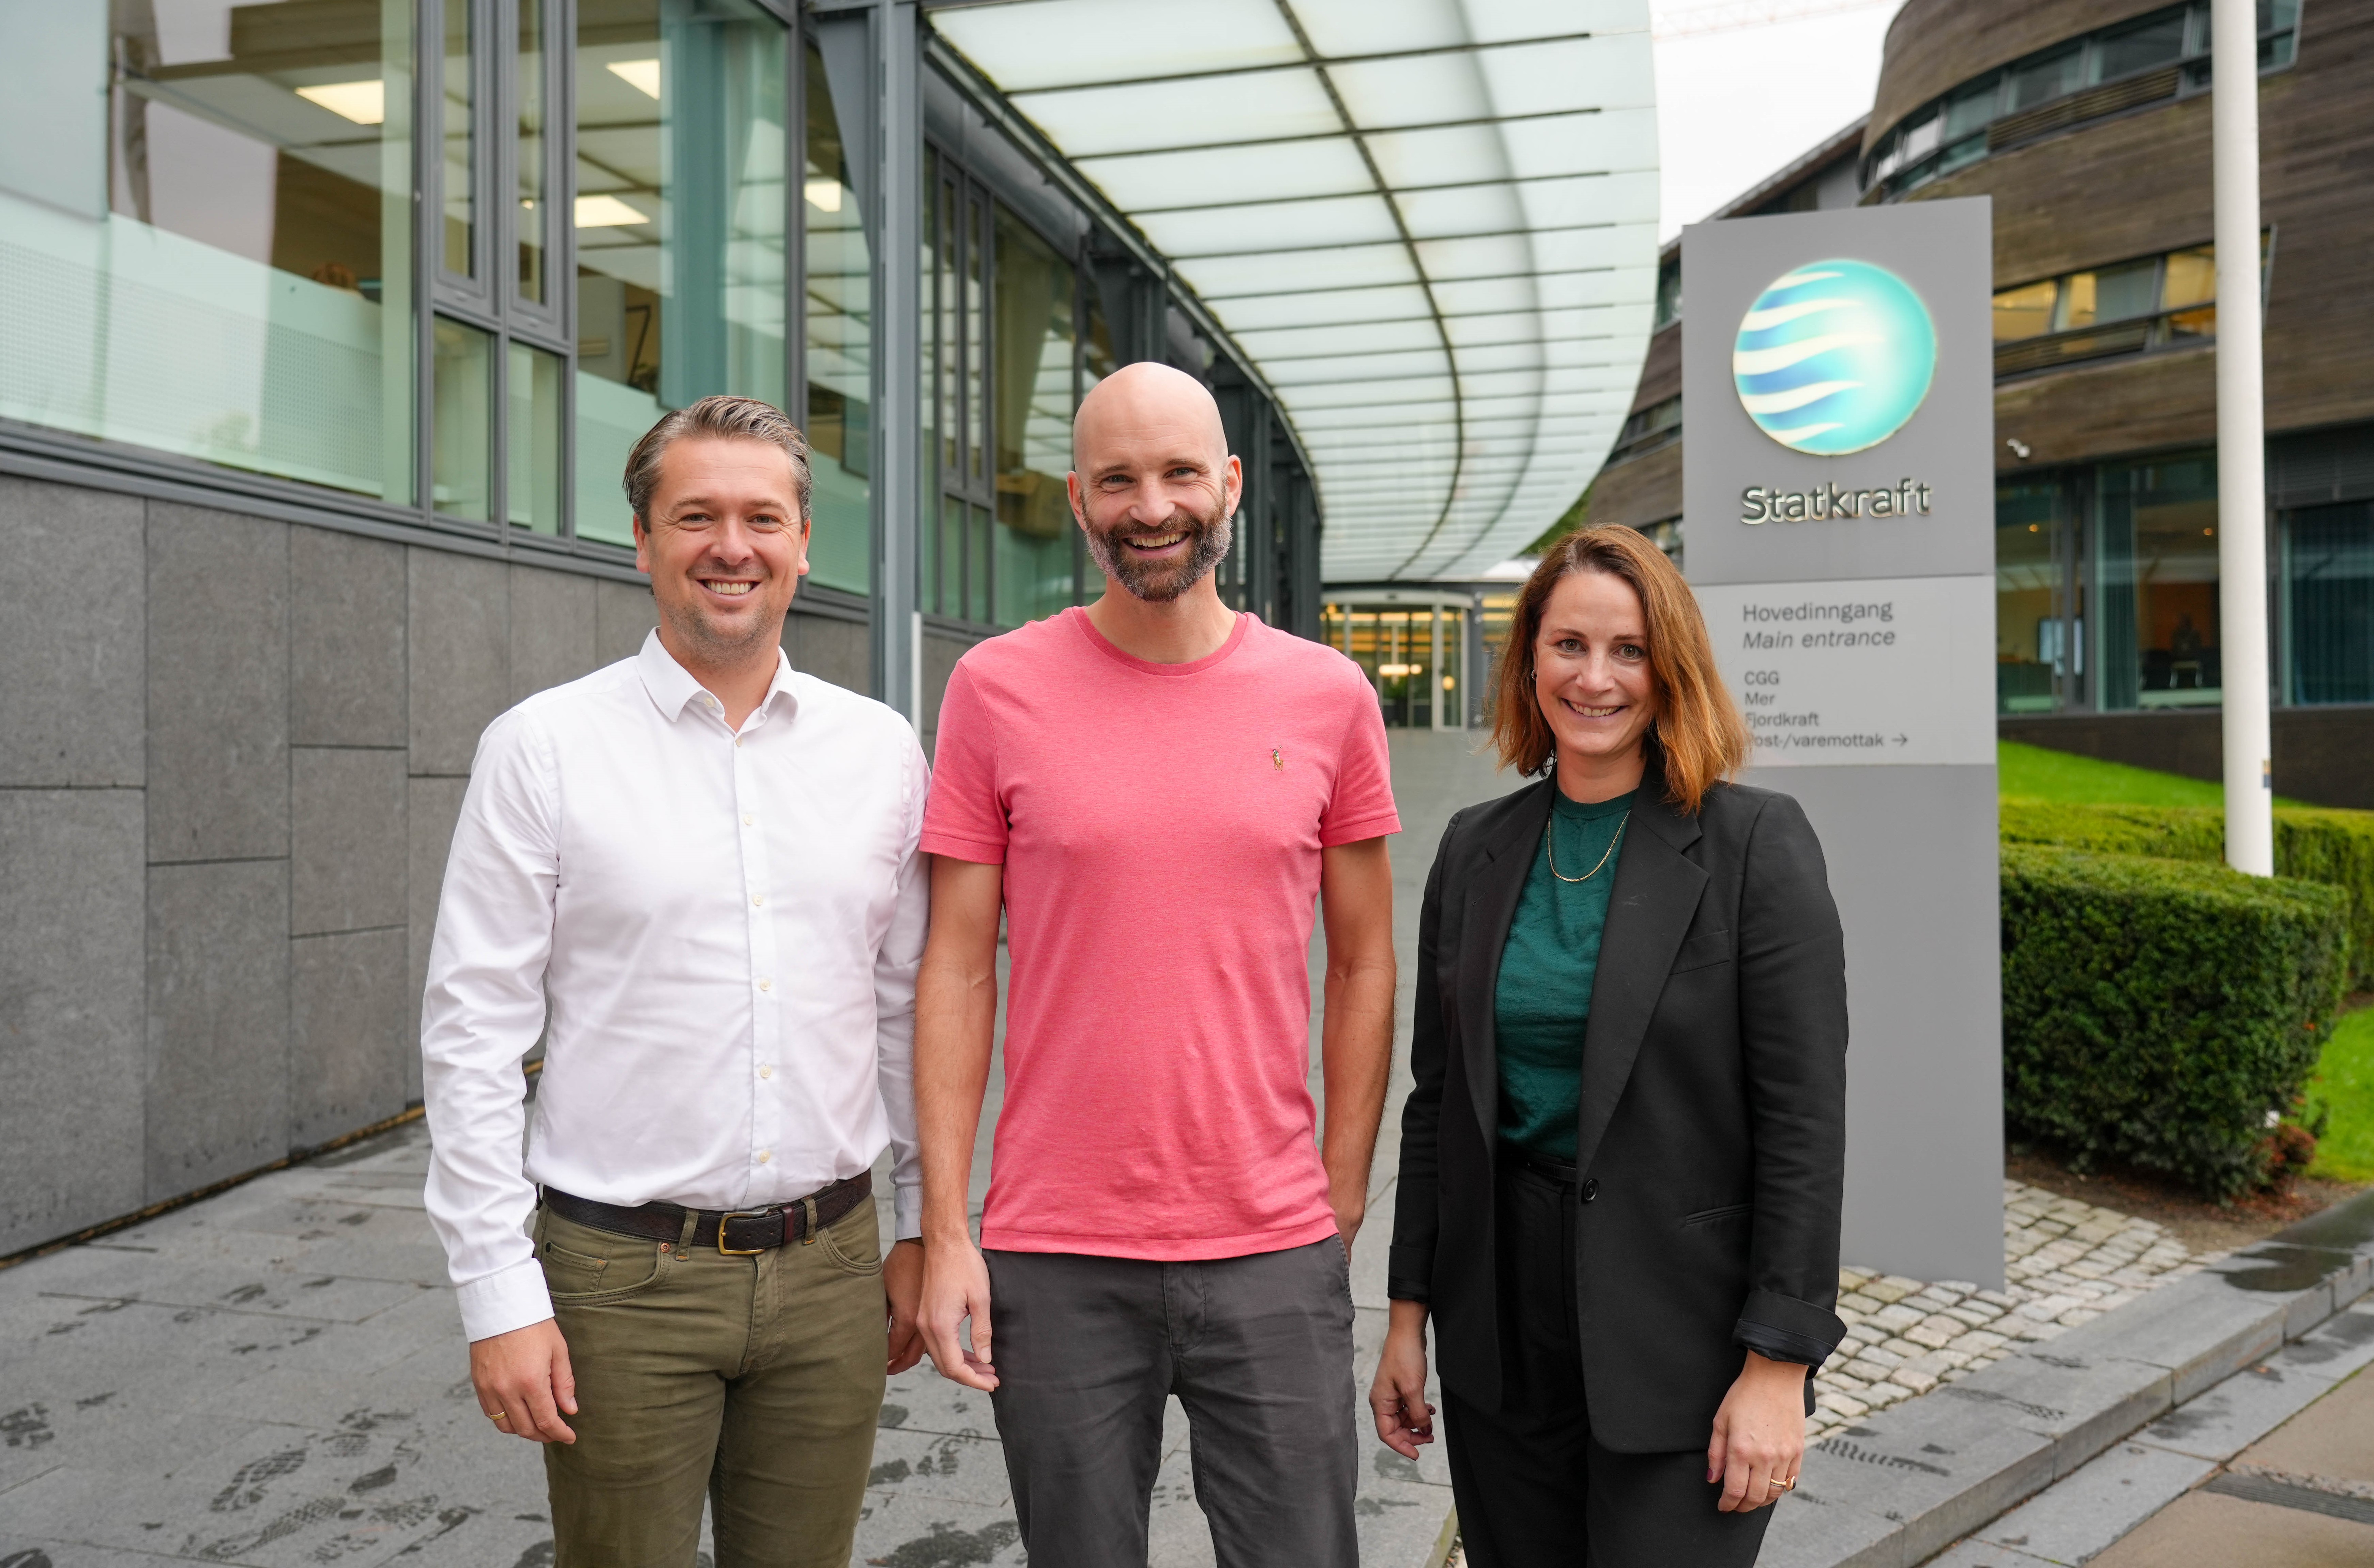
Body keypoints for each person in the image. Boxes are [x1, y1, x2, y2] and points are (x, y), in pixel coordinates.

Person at [420, 395, 929, 1568]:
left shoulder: (881, 752)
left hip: (834, 1269)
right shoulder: (543, 747)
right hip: (618, 1280)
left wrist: (925, 1228)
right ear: (643, 540)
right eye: (696, 516)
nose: (730, 546)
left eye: (763, 517)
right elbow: (473, 1030)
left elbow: (906, 1009)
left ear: (805, 542)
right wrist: (497, 1289)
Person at [912, 362, 1400, 1568]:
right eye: (1119, 479)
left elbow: (1365, 962)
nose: (1153, 506)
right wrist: (946, 1229)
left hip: (1271, 1242)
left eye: (1180, 473)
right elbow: (957, 969)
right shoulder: (994, 689)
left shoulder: (1330, 696)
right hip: (1056, 1248)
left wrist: (1340, 1196)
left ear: (1229, 484)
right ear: (1078, 499)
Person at [1369, 525, 1848, 1567]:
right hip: (1500, 1332)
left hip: (1682, 1340)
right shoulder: (1474, 847)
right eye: (1569, 645)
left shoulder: (1755, 845)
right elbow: (1437, 1103)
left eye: (1629, 650)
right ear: (1529, 658)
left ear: (1670, 668)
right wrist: (1408, 1313)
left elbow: (1804, 1125)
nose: (1595, 678)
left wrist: (1779, 1361)